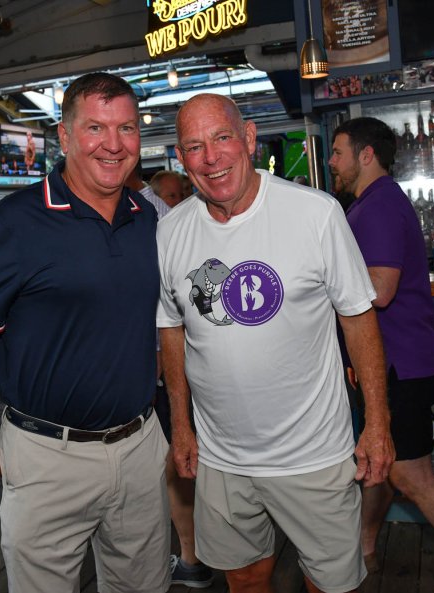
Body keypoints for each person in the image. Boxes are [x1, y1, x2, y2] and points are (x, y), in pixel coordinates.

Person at [157, 93, 394, 593]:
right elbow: (171, 330)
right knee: (243, 580)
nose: (211, 157)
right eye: (195, 146)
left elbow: (359, 319)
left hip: (314, 455)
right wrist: (180, 425)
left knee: (331, 585)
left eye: (222, 138)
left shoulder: (316, 213)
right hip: (222, 459)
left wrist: (377, 423)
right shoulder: (168, 232)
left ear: (247, 138)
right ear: (182, 159)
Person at [0, 72, 170, 593]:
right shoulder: (13, 223)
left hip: (140, 446)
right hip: (48, 456)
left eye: (127, 128)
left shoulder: (151, 221)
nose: (113, 145)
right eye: (96, 127)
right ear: (65, 136)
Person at [328, 116, 434, 593]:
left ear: (366, 155)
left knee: (409, 473)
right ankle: (363, 547)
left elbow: (379, 291)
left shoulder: (378, 206)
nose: (331, 162)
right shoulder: (370, 204)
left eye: (338, 152)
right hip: (390, 361)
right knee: (381, 461)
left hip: (399, 362)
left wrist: (321, 285)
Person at [125, 164, 212, 588]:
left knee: (177, 460)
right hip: (175, 361)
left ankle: (193, 555)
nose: (178, 203)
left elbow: (165, 302)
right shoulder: (167, 215)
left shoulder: (145, 213)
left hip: (168, 364)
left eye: (182, 195)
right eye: (173, 196)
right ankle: (195, 553)